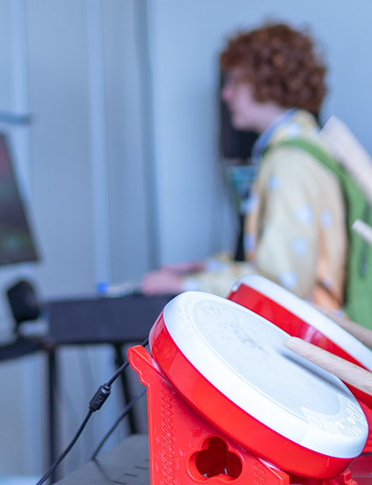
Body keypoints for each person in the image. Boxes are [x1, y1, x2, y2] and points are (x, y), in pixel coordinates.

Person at [140, 21, 349, 306]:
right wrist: (208, 267)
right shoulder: (307, 147)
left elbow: (281, 282)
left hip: (311, 341)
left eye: (235, 82)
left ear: (268, 83)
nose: (226, 94)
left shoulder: (290, 161)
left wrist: (187, 284)